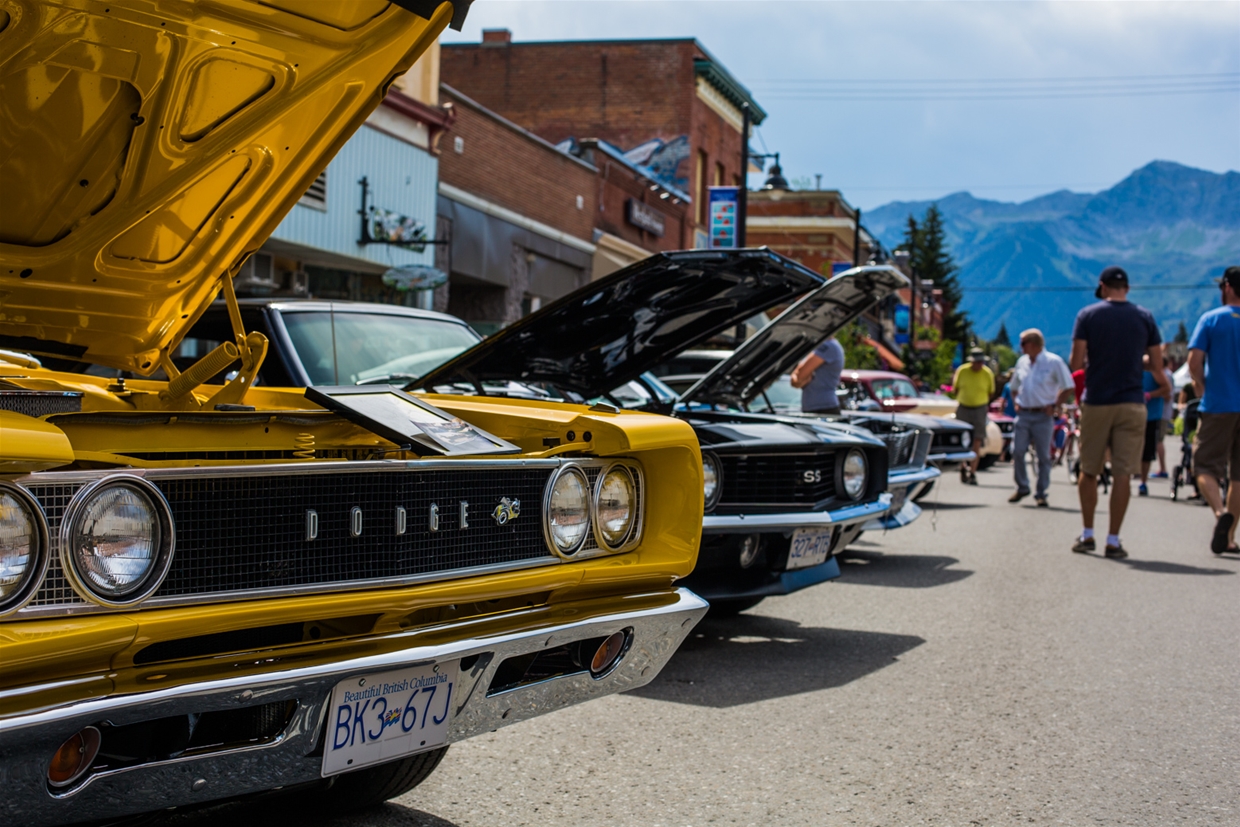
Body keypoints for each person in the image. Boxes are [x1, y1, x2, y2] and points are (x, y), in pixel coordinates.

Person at [1070, 266, 1169, 558]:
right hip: (1132, 401)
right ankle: (1113, 539)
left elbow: (1076, 362)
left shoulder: (1088, 315)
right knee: (1124, 473)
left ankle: (1088, 534)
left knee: (1089, 470)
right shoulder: (1144, 317)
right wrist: (1134, 358)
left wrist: (1097, 358)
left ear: (1102, 287)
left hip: (1098, 400)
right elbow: (1157, 363)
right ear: (1126, 287)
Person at [1187, 265, 1240, 555]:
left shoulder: (1212, 320)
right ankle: (1230, 538)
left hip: (1219, 404)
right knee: (1238, 475)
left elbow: (1194, 362)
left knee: (1204, 466)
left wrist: (1201, 387)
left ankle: (1221, 515)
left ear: (1228, 287)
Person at [1008, 329, 1075, 507]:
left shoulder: (1053, 362)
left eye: (1023, 344)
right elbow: (1013, 386)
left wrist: (1056, 404)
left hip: (1043, 415)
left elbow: (1068, 386)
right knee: (1018, 451)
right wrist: (1016, 401)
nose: (1021, 348)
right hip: (1024, 413)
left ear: (1033, 344)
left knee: (1043, 456)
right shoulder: (1022, 362)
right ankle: (1022, 486)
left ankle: (1041, 492)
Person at [951, 347, 995, 485]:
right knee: (962, 440)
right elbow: (955, 389)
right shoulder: (963, 370)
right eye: (977, 362)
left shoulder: (987, 373)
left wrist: (981, 401)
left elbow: (991, 392)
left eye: (981, 362)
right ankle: (963, 466)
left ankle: (973, 472)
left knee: (977, 440)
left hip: (979, 408)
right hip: (963, 407)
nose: (979, 364)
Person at [1138, 354, 1171, 496]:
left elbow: (1167, 390)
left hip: (1151, 416)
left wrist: (1149, 395)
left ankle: (1143, 482)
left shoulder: (1157, 373)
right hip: (1132, 414)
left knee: (1147, 450)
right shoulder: (1133, 369)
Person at [791, 335, 845, 415]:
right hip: (816, 408)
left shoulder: (828, 346)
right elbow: (795, 380)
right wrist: (799, 377)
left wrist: (799, 377)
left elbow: (799, 376)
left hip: (823, 409)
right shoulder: (824, 346)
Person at [1153, 348, 1175, 478]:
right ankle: (1162, 468)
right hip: (1164, 412)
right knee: (1158, 440)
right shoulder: (1169, 374)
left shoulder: (1165, 375)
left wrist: (1153, 394)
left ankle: (1163, 468)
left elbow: (1167, 394)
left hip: (1161, 412)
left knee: (1158, 440)